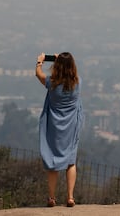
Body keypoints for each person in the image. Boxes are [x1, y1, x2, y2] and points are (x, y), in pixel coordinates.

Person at [35, 52, 84, 207]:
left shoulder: (52, 83)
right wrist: (62, 61)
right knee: (70, 161)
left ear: (57, 67)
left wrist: (40, 62)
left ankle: (51, 197)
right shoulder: (78, 83)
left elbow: (39, 75)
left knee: (52, 160)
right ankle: (70, 197)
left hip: (54, 126)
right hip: (71, 126)